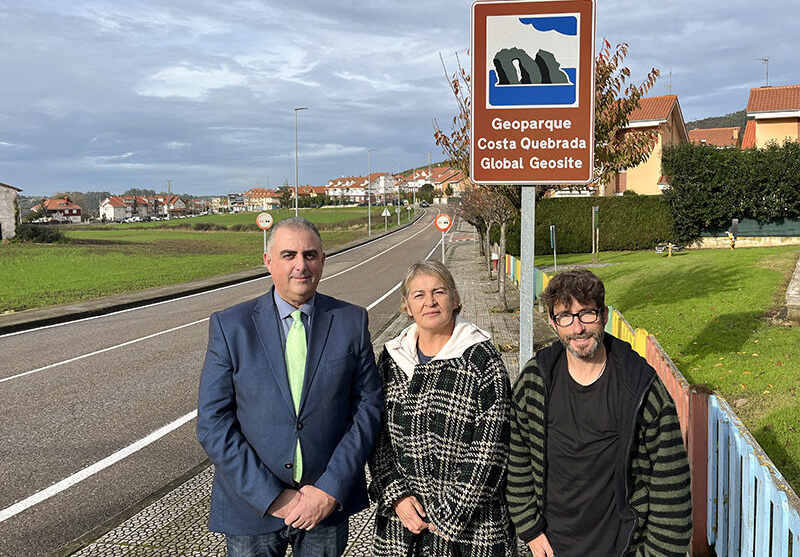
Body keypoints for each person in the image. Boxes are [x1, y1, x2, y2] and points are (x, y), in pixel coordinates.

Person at [197, 217, 382, 557]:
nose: (301, 265)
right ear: (268, 261)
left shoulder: (351, 321)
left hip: (323, 507)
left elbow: (367, 408)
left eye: (310, 255)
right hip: (252, 508)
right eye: (288, 255)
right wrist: (273, 497)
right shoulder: (230, 326)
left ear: (323, 260)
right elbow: (213, 423)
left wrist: (329, 489)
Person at [506, 269, 691, 557]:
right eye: (565, 316)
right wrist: (529, 528)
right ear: (554, 323)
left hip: (624, 548)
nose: (577, 328)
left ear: (604, 315)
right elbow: (517, 459)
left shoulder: (640, 387)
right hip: (553, 548)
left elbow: (672, 484)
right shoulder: (535, 381)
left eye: (587, 314)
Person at [369, 260, 517, 557]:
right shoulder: (390, 360)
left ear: (456, 299)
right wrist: (395, 494)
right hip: (404, 525)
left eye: (439, 291)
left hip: (474, 530)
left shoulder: (482, 360)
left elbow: (492, 448)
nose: (430, 302)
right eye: (419, 295)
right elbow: (376, 435)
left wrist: (447, 512)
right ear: (407, 306)